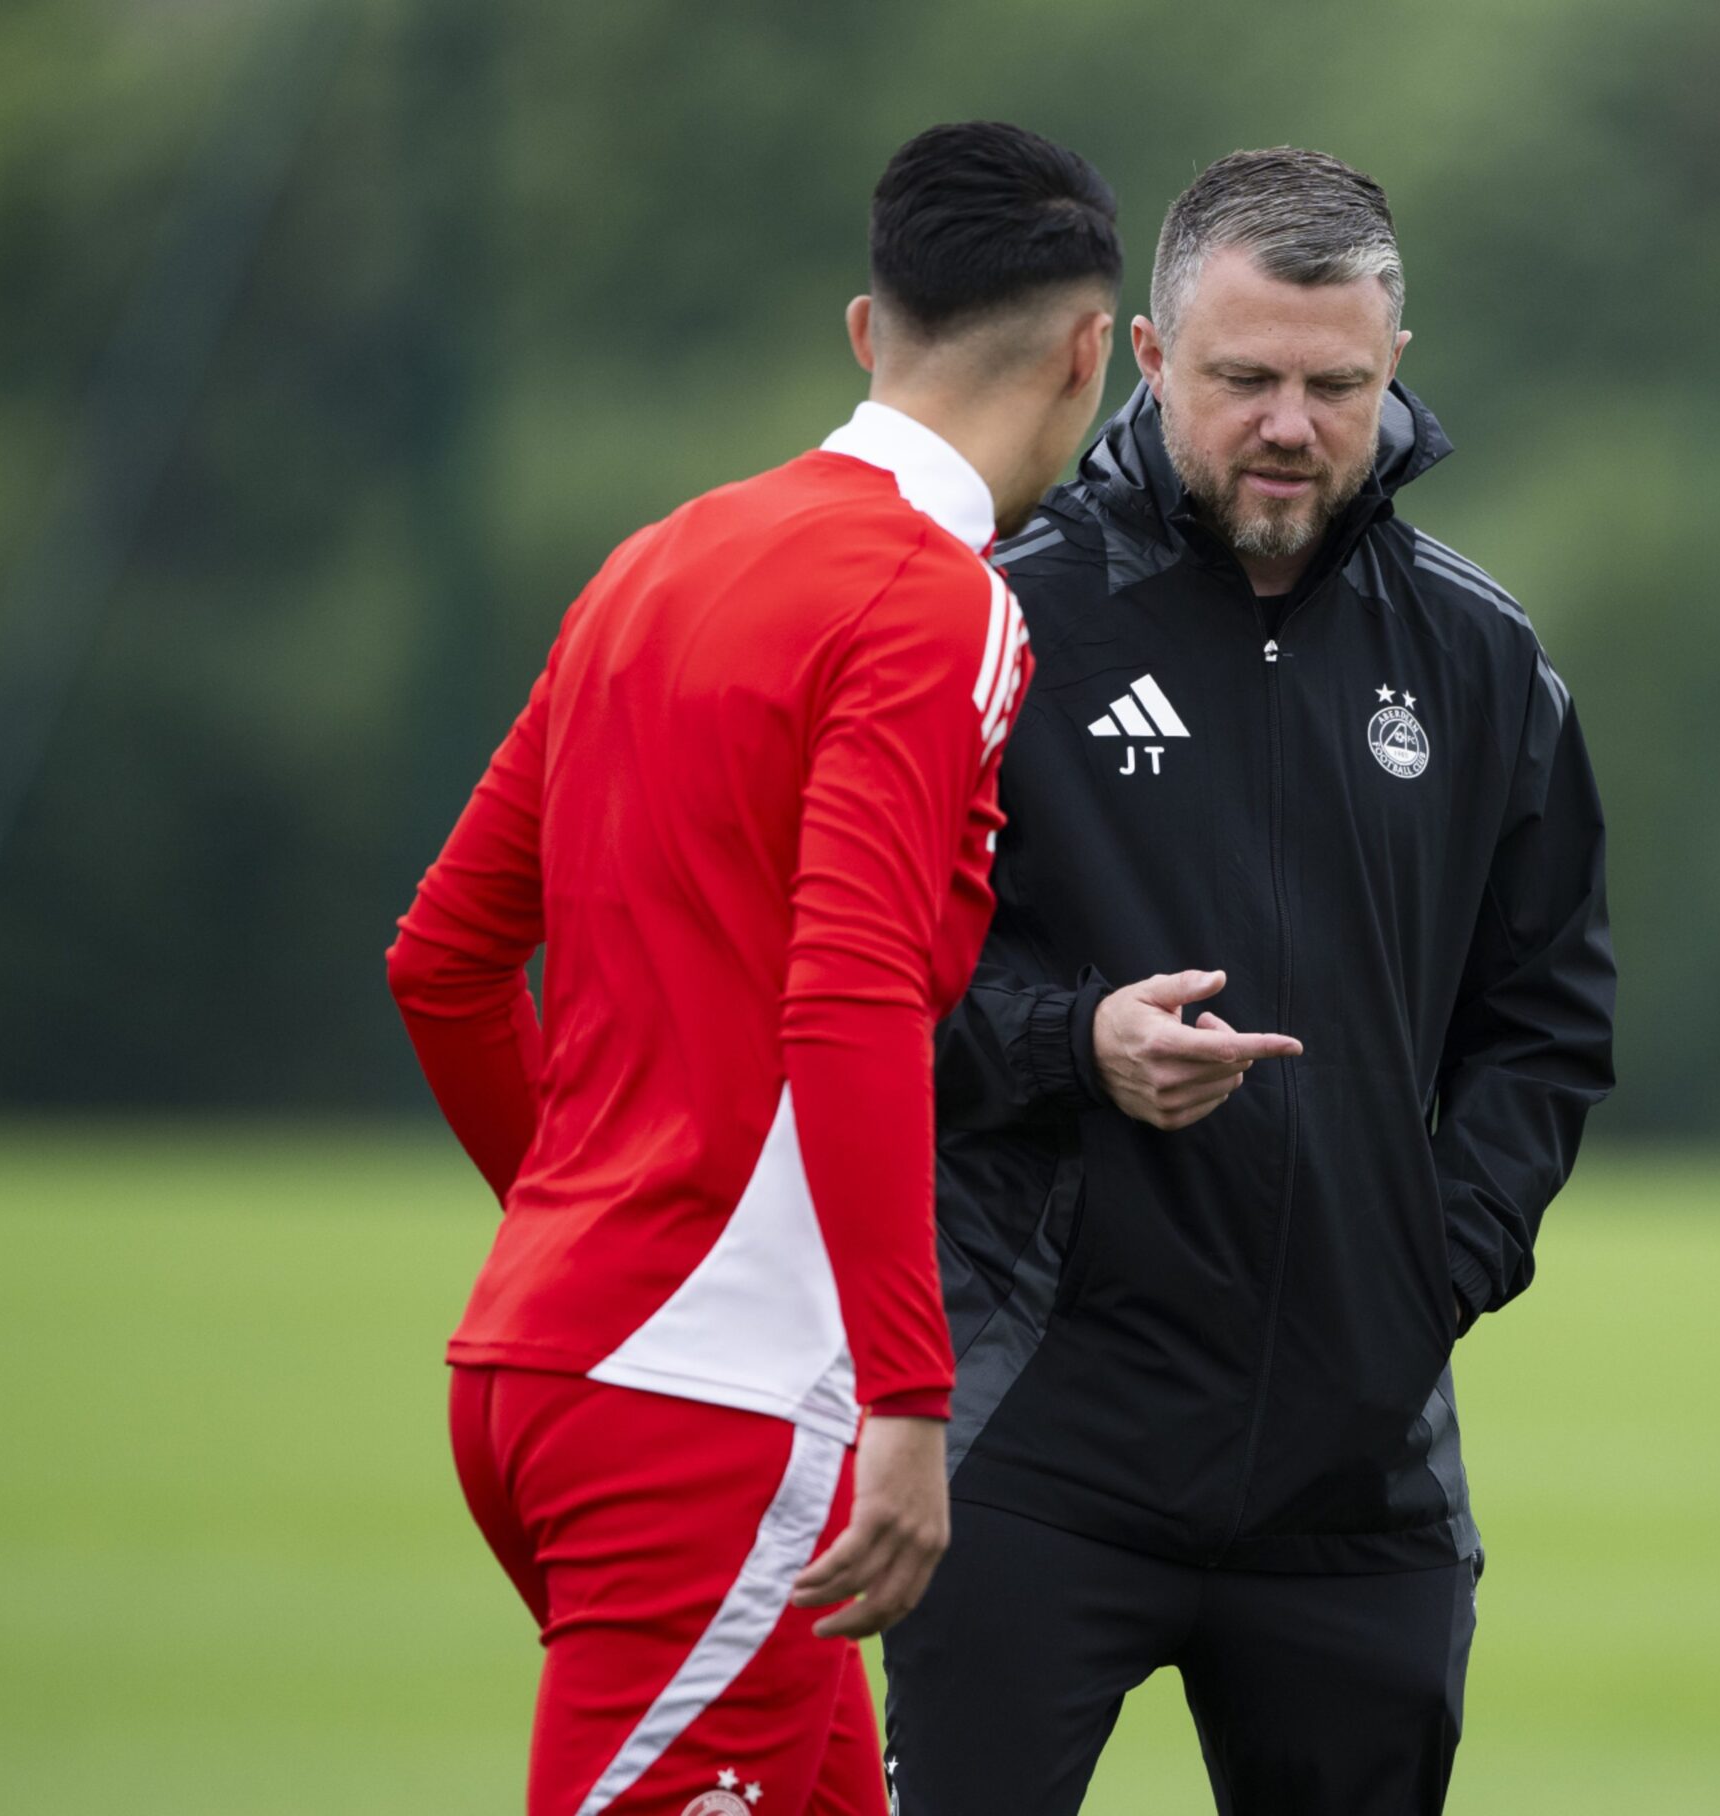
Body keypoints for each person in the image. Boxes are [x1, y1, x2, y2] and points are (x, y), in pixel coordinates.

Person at [384, 122, 1119, 1816]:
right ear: (1094, 354)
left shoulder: (658, 558)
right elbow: (853, 996)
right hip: (704, 1418)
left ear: (866, 334)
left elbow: (447, 963)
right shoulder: (945, 603)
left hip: (548, 1376)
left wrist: (579, 1244)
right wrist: (910, 1401)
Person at [882, 148, 1615, 1814]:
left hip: (1357, 1480)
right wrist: (1077, 1045)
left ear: (1392, 370)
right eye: (1245, 379)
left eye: (1335, 384)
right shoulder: (991, 626)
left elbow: (1549, 1019)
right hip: (1040, 1445)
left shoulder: (1482, 657)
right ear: (1146, 359)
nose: (1290, 422)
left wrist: (1431, 1265)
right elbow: (866, 991)